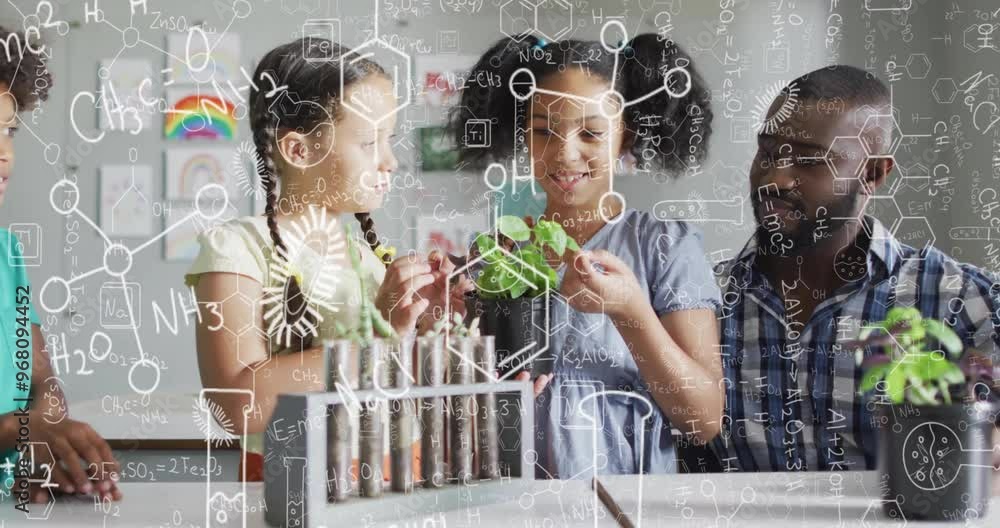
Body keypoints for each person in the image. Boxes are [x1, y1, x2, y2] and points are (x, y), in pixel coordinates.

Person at [187, 37, 469, 481]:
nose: (390, 162)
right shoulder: (236, 249)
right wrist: (378, 338)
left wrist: (433, 325)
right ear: (298, 150)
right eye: (369, 142)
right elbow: (238, 405)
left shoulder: (370, 261)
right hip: (297, 485)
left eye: (388, 140)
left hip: (401, 472)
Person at [449, 32, 723, 477]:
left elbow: (703, 422)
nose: (564, 153)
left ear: (625, 136)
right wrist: (444, 333)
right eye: (543, 131)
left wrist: (629, 309)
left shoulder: (664, 248)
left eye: (591, 133)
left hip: (630, 507)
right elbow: (462, 416)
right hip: (515, 505)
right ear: (524, 135)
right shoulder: (494, 257)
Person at [711, 65, 1000, 485]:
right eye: (768, 153)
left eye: (809, 160)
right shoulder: (703, 303)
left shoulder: (965, 302)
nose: (774, 178)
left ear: (873, 174)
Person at [0, 26, 121, 505]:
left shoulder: (8, 254)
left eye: (8, 129)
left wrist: (46, 428)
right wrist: (19, 431)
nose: (4, 153)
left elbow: (40, 377)